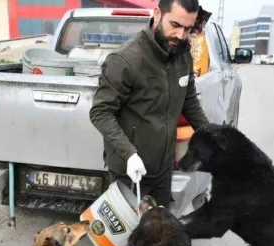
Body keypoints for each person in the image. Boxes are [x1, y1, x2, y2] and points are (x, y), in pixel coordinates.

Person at [89, 0, 209, 208]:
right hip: (130, 172)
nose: (180, 35)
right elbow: (100, 112)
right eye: (175, 25)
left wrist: (210, 135)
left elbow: (188, 100)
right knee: (128, 237)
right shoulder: (125, 60)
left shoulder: (182, 56)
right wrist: (129, 154)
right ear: (157, 14)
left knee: (158, 236)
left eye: (187, 29)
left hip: (163, 170)